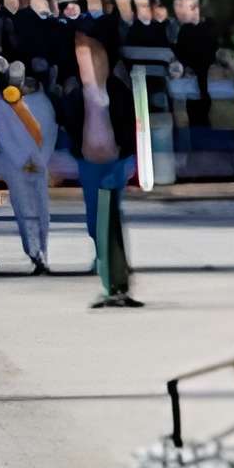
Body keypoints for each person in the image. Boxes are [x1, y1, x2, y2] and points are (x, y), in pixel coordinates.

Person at [57, 16, 141, 307]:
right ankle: (103, 258)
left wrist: (126, 156)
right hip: (90, 163)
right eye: (81, 61)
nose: (87, 68)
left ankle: (114, 268)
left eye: (91, 59)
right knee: (94, 218)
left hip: (114, 162)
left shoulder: (117, 94)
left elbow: (131, 125)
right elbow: (68, 124)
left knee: (110, 215)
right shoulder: (76, 97)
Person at [0, 58, 56, 271]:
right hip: (16, 166)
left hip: (39, 164)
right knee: (25, 209)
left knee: (42, 210)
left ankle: (43, 251)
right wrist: (22, 161)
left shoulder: (43, 102)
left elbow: (50, 132)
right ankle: (34, 253)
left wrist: (41, 159)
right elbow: (2, 136)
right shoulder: (1, 104)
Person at [171, 0, 222, 132]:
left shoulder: (210, 26)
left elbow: (215, 49)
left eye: (185, 6)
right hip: (192, 81)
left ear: (195, 7)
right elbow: (180, 54)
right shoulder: (184, 30)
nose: (181, 11)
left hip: (208, 79)